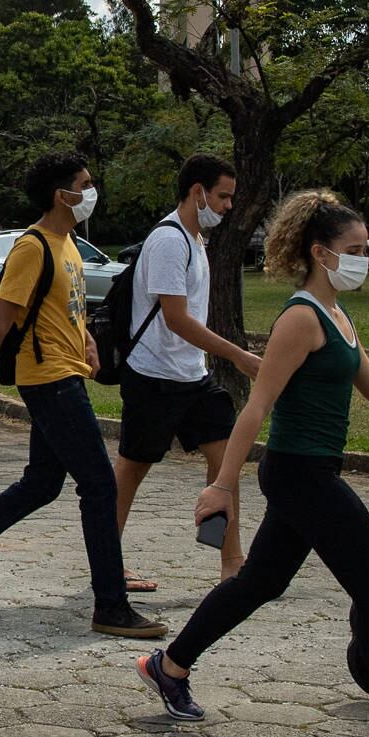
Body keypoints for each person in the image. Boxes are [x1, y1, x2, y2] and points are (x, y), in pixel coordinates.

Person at [135, 189, 369, 737]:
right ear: (320, 252)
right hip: (300, 475)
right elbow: (256, 406)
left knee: (260, 582)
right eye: (355, 249)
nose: (365, 259)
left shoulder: (336, 315)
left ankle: (169, 665)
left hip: (313, 471)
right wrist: (222, 485)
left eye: (367, 249)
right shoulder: (301, 317)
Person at [0, 152, 166, 639]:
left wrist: (89, 341)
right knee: (99, 486)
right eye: (85, 183)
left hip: (68, 372)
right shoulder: (32, 247)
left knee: (42, 484)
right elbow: (0, 324)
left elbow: (66, 307)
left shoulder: (70, 243)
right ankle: (110, 605)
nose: (91, 191)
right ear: (64, 196)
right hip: (48, 381)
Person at [115, 154, 261, 591]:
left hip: (192, 377)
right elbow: (176, 318)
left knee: (226, 462)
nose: (228, 206)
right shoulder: (168, 240)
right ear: (198, 192)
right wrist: (237, 355)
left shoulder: (197, 241)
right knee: (131, 469)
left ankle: (232, 565)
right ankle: (107, 562)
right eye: (223, 196)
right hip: (154, 376)